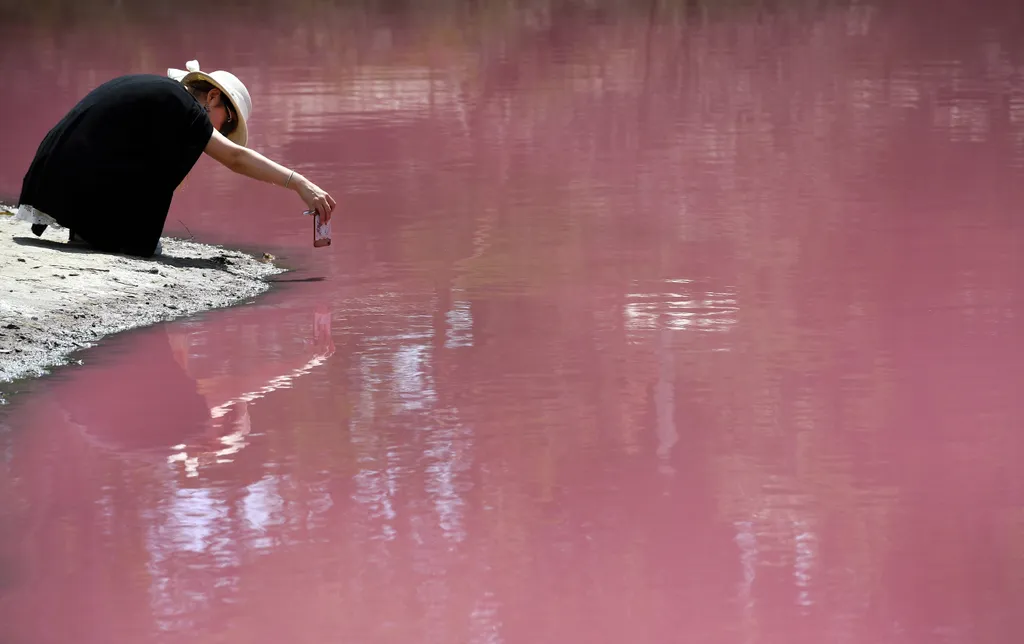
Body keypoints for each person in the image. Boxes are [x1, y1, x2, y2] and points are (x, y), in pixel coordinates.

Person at [14, 60, 335, 257]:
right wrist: (300, 184)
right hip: (67, 183)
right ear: (211, 97)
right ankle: (95, 230)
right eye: (228, 121)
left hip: (48, 181)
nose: (222, 131)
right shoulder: (184, 108)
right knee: (145, 248)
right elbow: (235, 158)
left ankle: (91, 228)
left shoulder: (164, 96)